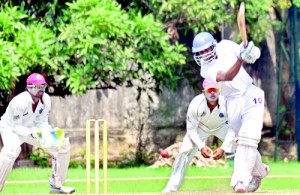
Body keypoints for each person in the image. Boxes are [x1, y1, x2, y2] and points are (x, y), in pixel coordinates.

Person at [192, 32, 270, 193]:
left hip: (250, 94)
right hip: (230, 101)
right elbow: (227, 76)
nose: (203, 55)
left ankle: (240, 180)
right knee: (240, 142)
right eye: (199, 53)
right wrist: (240, 59)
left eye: (205, 50)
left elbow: (253, 55)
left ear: (213, 46)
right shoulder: (206, 69)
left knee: (249, 136)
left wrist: (249, 51)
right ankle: (260, 172)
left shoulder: (226, 45)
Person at [0, 73, 75, 194]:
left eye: (43, 86)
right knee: (12, 150)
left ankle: (56, 184)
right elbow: (16, 126)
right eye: (38, 87)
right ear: (29, 87)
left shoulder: (46, 100)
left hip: (32, 129)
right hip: (11, 129)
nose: (41, 89)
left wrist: (49, 133)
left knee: (62, 143)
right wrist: (33, 133)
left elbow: (42, 122)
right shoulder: (19, 102)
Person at [162, 79, 236, 192]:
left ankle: (249, 179)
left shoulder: (226, 103)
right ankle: (171, 188)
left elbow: (231, 129)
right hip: (200, 128)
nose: (212, 93)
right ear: (204, 92)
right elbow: (191, 130)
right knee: (184, 151)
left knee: (243, 146)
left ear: (219, 91)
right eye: (209, 90)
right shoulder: (196, 104)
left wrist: (223, 148)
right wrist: (202, 146)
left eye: (214, 90)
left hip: (222, 127)